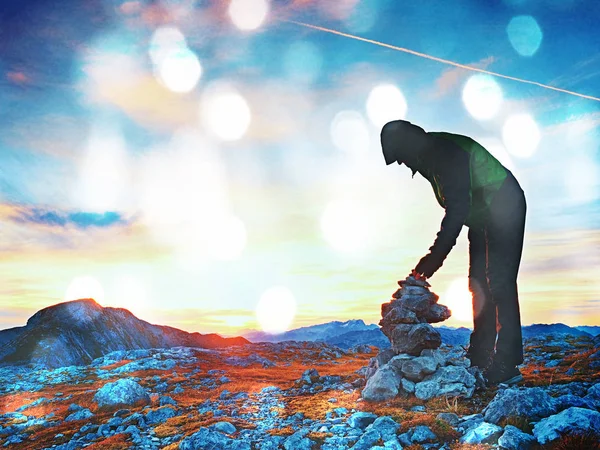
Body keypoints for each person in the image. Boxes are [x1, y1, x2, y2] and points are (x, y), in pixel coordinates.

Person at [381, 119, 526, 386]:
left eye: (400, 157)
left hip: (505, 204)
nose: (402, 164)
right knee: (479, 285)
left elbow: (456, 210)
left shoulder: (444, 153)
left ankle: (508, 363)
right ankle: (480, 355)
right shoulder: (427, 158)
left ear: (408, 145)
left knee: (500, 281)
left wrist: (433, 259)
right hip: (482, 216)